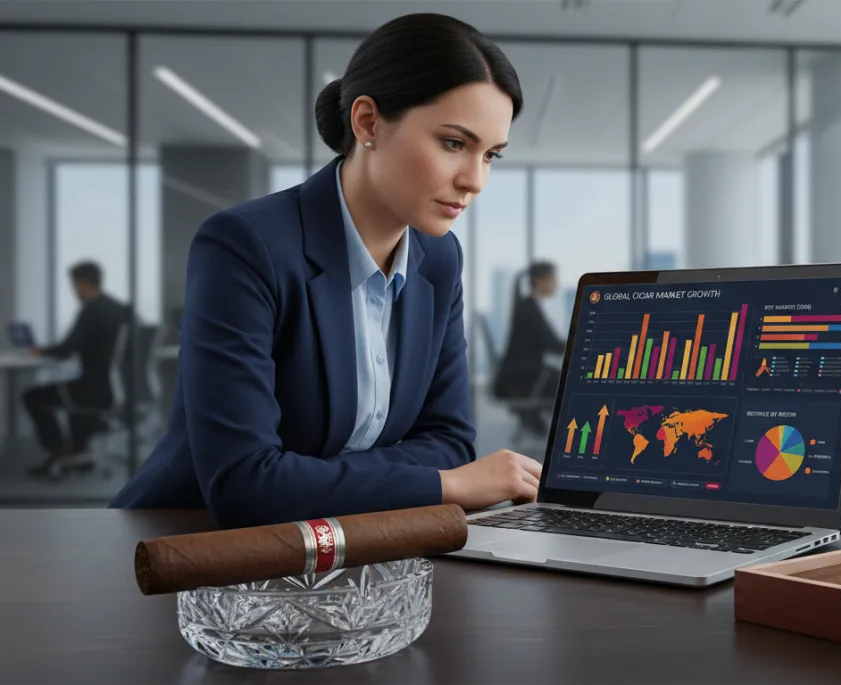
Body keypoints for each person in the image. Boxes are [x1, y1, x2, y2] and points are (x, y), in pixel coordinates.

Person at [110, 13, 544, 528]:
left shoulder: (440, 259)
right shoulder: (246, 246)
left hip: (350, 545)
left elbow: (449, 440)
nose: (474, 180)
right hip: (192, 546)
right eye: (454, 143)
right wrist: (445, 484)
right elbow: (245, 484)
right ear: (367, 123)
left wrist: (307, 479)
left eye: (491, 154)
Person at [23, 261, 129, 479]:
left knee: (33, 396)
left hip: (94, 389)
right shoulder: (122, 309)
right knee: (72, 395)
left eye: (74, 286)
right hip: (118, 388)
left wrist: (41, 351)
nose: (75, 291)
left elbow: (67, 349)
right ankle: (79, 453)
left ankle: (58, 453)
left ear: (82, 283)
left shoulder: (92, 310)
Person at [491, 261, 566, 434]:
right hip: (524, 380)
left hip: (523, 376)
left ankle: (542, 429)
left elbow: (550, 343)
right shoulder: (529, 308)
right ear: (540, 281)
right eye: (553, 279)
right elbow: (552, 344)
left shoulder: (528, 305)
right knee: (573, 385)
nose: (556, 284)